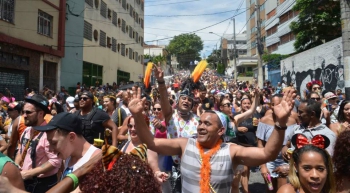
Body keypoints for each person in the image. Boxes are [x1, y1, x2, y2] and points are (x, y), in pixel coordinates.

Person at [128, 87, 296, 193]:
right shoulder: (185, 144)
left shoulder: (231, 150)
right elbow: (152, 143)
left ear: (221, 130)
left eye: (207, 124)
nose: (200, 127)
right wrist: (137, 115)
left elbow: (268, 153)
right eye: (200, 123)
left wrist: (280, 124)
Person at [34, 112, 101, 193]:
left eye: (54, 143)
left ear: (71, 137)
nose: (51, 149)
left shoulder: (96, 160)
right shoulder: (67, 157)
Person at [15, 94, 62, 193]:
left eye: (28, 112)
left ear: (40, 113)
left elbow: (55, 161)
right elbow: (21, 150)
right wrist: (16, 166)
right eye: (23, 112)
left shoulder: (49, 135)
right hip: (25, 181)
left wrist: (29, 173)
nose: (24, 115)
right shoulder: (27, 131)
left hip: (42, 185)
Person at [257, 94, 299, 193]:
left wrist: (287, 146)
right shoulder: (264, 121)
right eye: (272, 104)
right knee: (270, 189)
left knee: (283, 189)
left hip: (285, 161)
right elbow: (260, 144)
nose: (275, 107)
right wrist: (263, 167)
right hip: (268, 162)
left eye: (278, 104)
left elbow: (294, 141)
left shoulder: (292, 121)